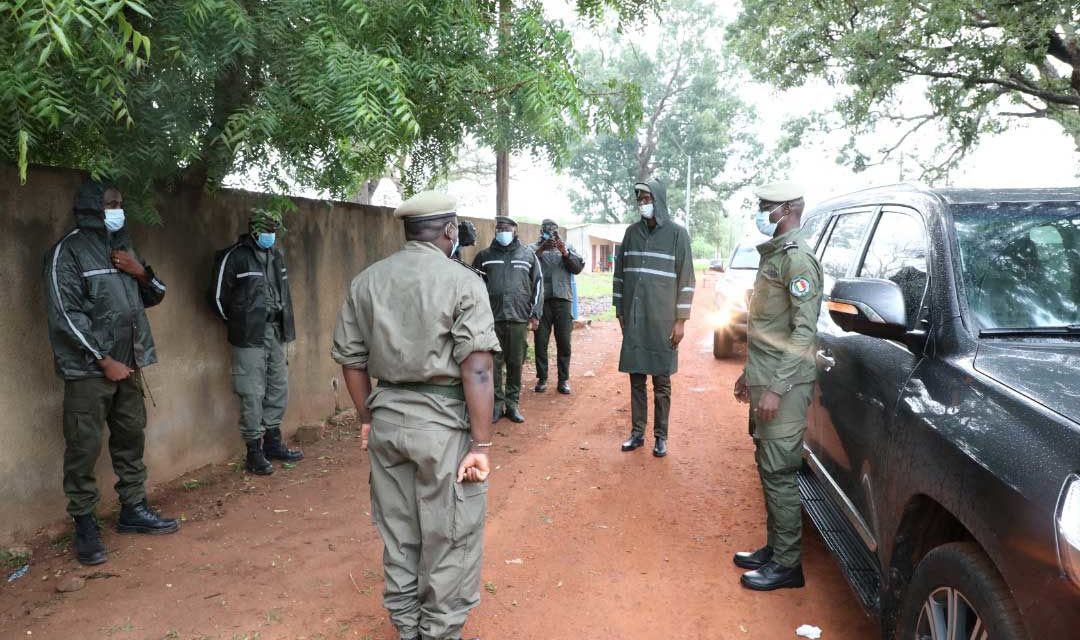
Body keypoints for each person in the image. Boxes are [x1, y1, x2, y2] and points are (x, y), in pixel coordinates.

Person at [331, 191, 499, 640]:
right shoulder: (463, 283)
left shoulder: (366, 281)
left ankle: (408, 629)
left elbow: (351, 359)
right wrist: (481, 445)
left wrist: (368, 417)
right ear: (449, 230)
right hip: (442, 427)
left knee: (400, 535)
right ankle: (439, 633)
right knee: (450, 538)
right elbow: (478, 368)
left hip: (387, 421)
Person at [44, 180, 179, 566]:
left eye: (120, 202)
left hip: (130, 364)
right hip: (90, 371)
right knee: (83, 448)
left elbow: (156, 294)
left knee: (130, 438)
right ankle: (85, 524)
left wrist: (140, 272)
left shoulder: (124, 247)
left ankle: (133, 509)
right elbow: (66, 316)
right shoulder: (66, 253)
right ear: (90, 207)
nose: (117, 208)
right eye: (109, 203)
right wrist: (104, 360)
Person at [733, 181, 823, 591]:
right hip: (767, 379)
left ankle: (788, 566)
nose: (760, 212)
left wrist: (774, 389)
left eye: (765, 206)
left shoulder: (797, 260)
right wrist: (748, 376)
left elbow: (803, 333)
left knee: (780, 471)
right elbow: (768, 329)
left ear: (786, 209)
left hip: (783, 388)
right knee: (769, 468)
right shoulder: (776, 257)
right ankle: (776, 547)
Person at [209, 209, 304, 475]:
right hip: (249, 334)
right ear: (253, 230)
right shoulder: (235, 257)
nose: (270, 235)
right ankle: (254, 451)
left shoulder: (277, 256)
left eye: (274, 229)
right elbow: (216, 298)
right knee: (251, 391)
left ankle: (273, 442)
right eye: (266, 230)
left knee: (278, 385)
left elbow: (283, 294)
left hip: (275, 330)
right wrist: (238, 322)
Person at [615, 178, 695, 458]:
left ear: (658, 200)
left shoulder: (677, 235)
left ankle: (661, 437)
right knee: (636, 378)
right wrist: (619, 311)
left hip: (663, 321)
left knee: (661, 382)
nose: (642, 205)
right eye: (639, 200)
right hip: (635, 319)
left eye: (647, 199)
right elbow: (619, 275)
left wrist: (681, 320)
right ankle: (637, 433)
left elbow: (687, 279)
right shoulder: (631, 233)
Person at [472, 216, 542, 423]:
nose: (502, 231)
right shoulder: (484, 256)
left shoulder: (528, 256)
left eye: (506, 228)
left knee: (515, 363)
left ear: (514, 230)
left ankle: (512, 404)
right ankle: (496, 405)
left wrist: (535, 314)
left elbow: (538, 284)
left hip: (519, 318)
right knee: (493, 363)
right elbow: (474, 286)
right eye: (499, 228)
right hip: (492, 320)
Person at [529, 219, 584, 394]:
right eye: (547, 232)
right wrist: (542, 249)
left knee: (564, 342)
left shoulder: (567, 247)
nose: (550, 235)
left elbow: (577, 268)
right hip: (542, 301)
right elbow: (527, 265)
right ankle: (542, 378)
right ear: (541, 231)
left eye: (553, 232)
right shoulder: (532, 249)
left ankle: (563, 380)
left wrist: (565, 253)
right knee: (541, 341)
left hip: (563, 300)